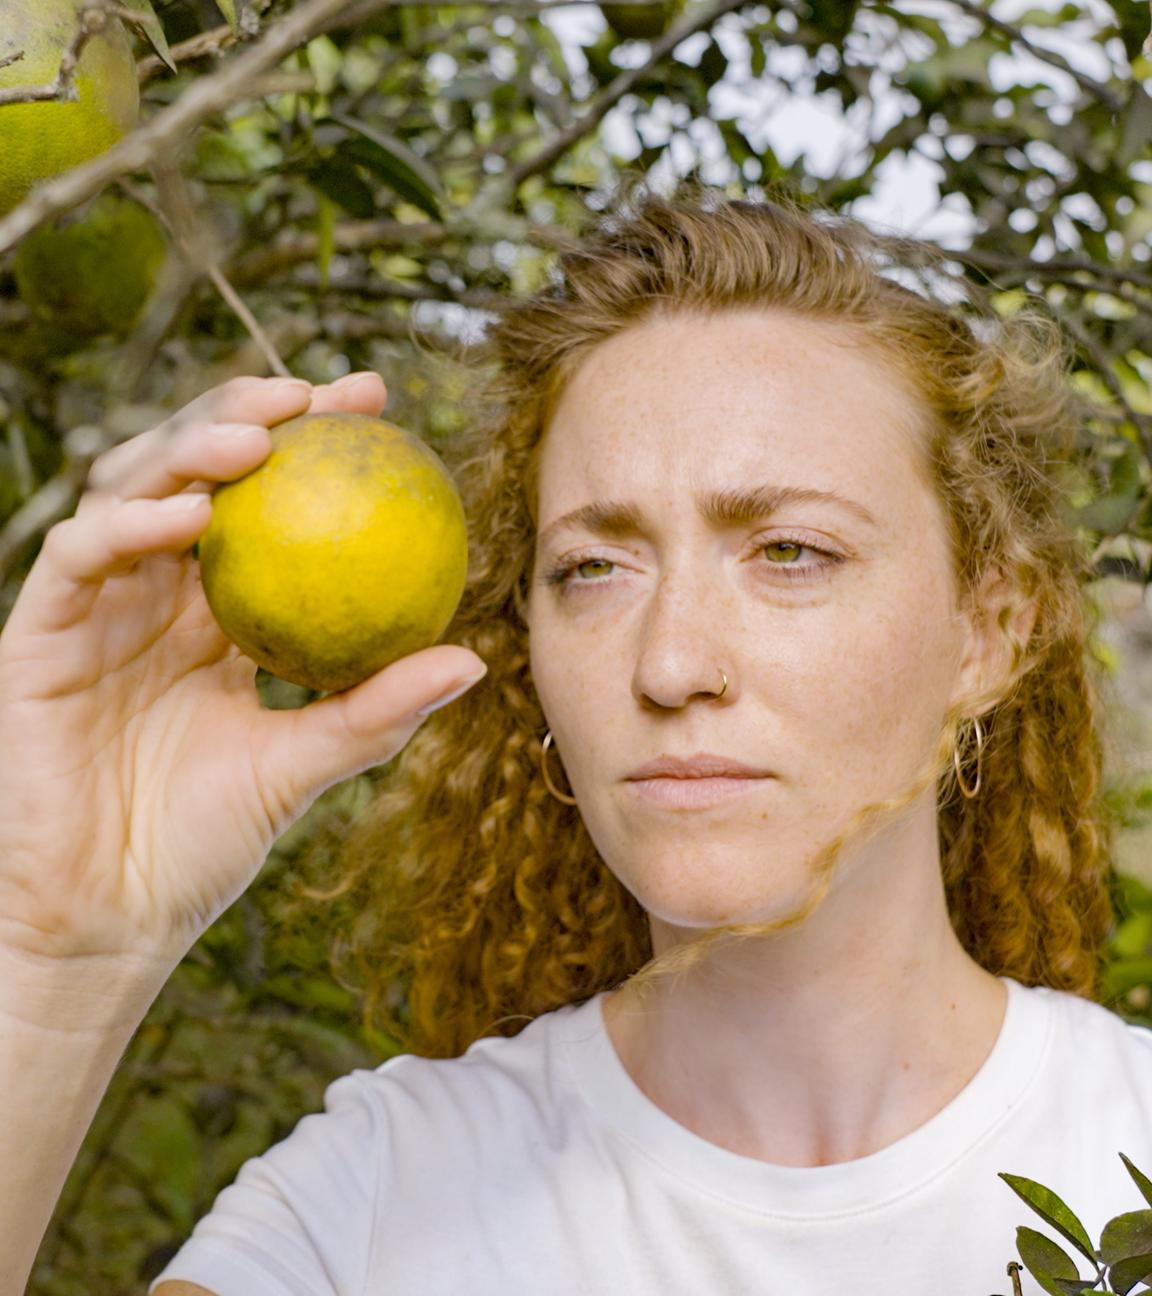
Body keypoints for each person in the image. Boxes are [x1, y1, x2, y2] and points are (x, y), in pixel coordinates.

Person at [2, 177, 1147, 1296]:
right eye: (594, 568)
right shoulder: (372, 1206)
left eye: (790, 552)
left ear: (988, 632)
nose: (671, 664)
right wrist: (56, 953)